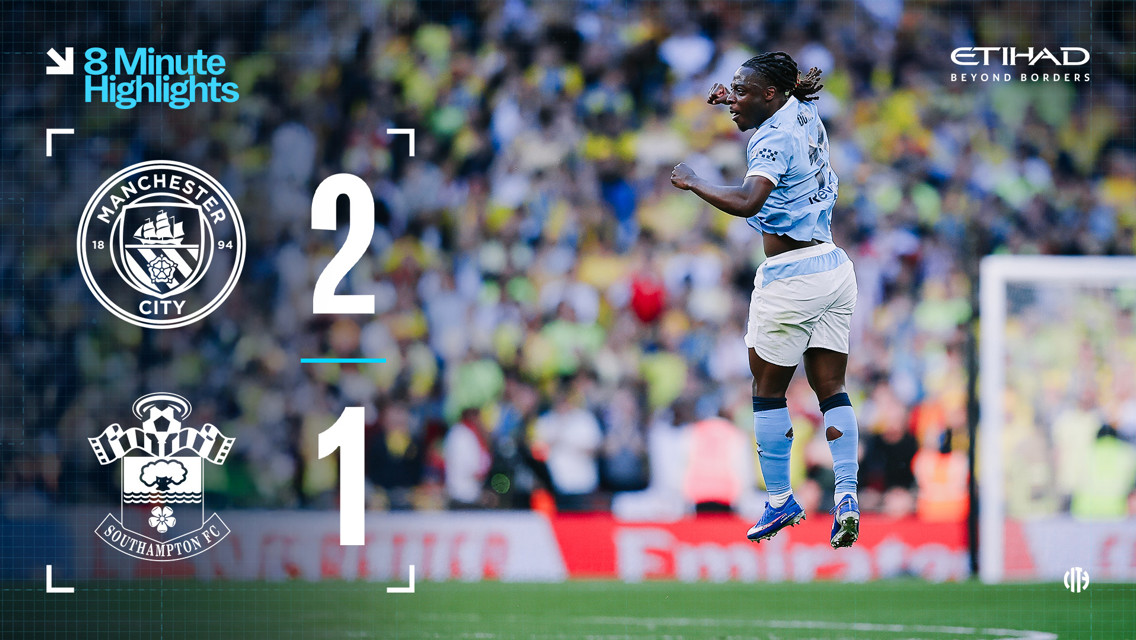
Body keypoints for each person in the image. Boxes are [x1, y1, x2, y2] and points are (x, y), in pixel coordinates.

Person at [670, 52, 861, 549]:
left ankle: (780, 498)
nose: (734, 100)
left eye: (742, 92)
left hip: (790, 275)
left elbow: (748, 201)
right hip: (834, 267)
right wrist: (733, 103)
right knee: (831, 388)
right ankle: (846, 494)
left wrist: (693, 183)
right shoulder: (801, 110)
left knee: (767, 391)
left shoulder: (771, 136)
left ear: (771, 94)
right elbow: (768, 119)